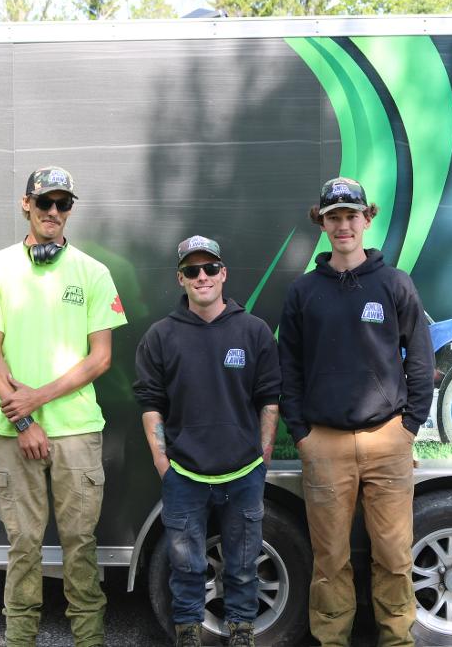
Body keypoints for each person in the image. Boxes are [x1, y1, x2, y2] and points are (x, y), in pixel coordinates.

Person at [0, 166, 128, 647]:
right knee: (24, 546)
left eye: (63, 204)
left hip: (77, 431)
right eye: (44, 202)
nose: (53, 211)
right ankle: (20, 640)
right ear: (26, 205)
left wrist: (37, 398)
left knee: (81, 546)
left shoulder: (94, 273)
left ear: (70, 210)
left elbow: (100, 358)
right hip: (14, 433)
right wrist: (25, 421)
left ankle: (89, 639)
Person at [278, 177, 434, 647]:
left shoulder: (394, 283)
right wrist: (301, 433)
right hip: (323, 442)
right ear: (322, 224)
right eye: (334, 217)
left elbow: (420, 359)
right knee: (330, 559)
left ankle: (397, 639)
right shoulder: (303, 292)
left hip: (388, 438)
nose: (343, 225)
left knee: (393, 555)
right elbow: (288, 368)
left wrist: (409, 427)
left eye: (351, 216)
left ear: (367, 219)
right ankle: (332, 640)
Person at [133, 235, 281, 647]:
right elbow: (150, 405)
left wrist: (262, 458)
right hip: (184, 475)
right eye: (192, 270)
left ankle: (242, 632)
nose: (202, 276)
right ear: (180, 278)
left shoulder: (253, 331)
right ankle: (188, 633)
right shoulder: (160, 337)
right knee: (185, 567)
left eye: (210, 268)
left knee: (244, 565)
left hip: (244, 473)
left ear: (223, 273)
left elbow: (270, 399)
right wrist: (164, 465)